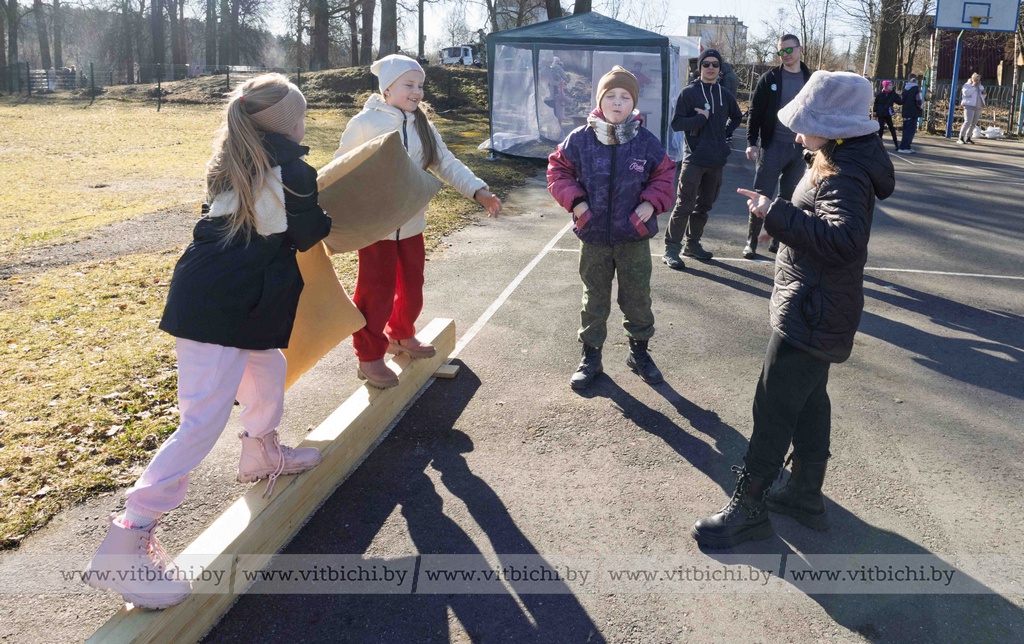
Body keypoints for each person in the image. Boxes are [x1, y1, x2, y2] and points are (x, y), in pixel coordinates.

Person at [85, 74, 332, 607]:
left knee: (265, 369)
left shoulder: (235, 162)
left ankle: (261, 453)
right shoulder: (294, 170)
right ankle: (125, 540)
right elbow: (310, 233)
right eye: (303, 117)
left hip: (228, 294)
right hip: (222, 306)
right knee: (201, 421)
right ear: (289, 123)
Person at [691, 71, 895, 549]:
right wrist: (780, 221)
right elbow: (819, 223)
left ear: (835, 125)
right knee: (807, 400)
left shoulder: (845, 171)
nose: (796, 132)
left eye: (805, 122)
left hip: (813, 310)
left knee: (773, 406)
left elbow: (844, 241)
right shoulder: (835, 155)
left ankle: (748, 509)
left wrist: (774, 213)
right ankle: (804, 493)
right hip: (815, 304)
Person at [335, 54, 502, 389]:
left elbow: (446, 162)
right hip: (376, 228)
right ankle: (369, 357)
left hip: (411, 223)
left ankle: (400, 334)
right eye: (409, 85)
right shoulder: (366, 124)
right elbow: (341, 170)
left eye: (420, 85)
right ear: (387, 89)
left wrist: (479, 191)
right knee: (375, 291)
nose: (417, 92)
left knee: (411, 285)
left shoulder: (423, 124)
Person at [548, 66, 676, 389]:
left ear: (633, 104)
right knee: (594, 298)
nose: (617, 103)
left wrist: (650, 203)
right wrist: (578, 205)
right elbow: (557, 170)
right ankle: (591, 356)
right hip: (593, 237)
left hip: (633, 237)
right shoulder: (580, 140)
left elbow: (665, 175)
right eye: (611, 96)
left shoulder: (646, 142)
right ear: (600, 100)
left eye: (625, 97)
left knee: (637, 297)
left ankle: (639, 352)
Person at [662, 49, 742, 269]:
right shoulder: (689, 93)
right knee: (684, 205)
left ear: (720, 69)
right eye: (706, 64)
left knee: (704, 206)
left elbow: (737, 117)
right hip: (694, 160)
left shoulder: (725, 94)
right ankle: (671, 249)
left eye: (715, 64)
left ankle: (692, 244)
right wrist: (699, 119)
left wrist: (725, 133)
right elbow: (677, 124)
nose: (710, 68)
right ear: (700, 67)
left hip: (716, 161)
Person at [742, 34, 813, 259]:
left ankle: (777, 240)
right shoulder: (770, 78)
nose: (786, 55)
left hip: (800, 149)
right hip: (772, 147)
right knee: (760, 195)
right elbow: (755, 112)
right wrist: (752, 143)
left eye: (789, 50)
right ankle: (751, 242)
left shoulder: (811, 79)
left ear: (800, 49)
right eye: (781, 51)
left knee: (789, 198)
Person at [897, 73, 923, 153]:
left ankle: (907, 146)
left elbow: (902, 100)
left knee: (906, 129)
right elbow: (919, 101)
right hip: (913, 112)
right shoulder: (916, 89)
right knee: (910, 130)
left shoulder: (905, 89)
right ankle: (904, 147)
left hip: (906, 111)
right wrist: (920, 108)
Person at [873, 79, 902, 150]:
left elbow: (899, 102)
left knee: (892, 128)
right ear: (885, 86)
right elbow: (876, 103)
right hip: (881, 113)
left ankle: (896, 144)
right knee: (881, 129)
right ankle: (879, 144)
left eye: (891, 85)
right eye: (889, 85)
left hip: (887, 114)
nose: (891, 86)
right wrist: (875, 110)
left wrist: (901, 97)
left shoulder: (893, 94)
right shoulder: (880, 95)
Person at [958, 72, 986, 144]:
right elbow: (966, 93)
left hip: (978, 106)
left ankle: (968, 137)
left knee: (973, 123)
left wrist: (984, 93)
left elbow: (982, 96)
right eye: (976, 80)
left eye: (979, 80)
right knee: (967, 122)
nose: (978, 82)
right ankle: (961, 137)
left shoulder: (980, 86)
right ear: (972, 79)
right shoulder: (967, 85)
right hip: (969, 106)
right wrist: (973, 87)